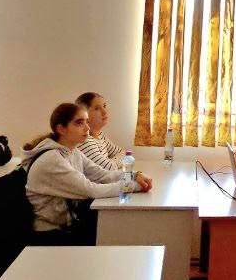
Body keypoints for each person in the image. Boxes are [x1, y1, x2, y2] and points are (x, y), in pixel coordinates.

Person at [22, 102, 153, 244]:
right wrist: (135, 186)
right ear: (61, 129)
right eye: (79, 123)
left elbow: (103, 175)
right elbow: (92, 190)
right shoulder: (52, 159)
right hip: (50, 234)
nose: (87, 128)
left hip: (69, 223)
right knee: (116, 232)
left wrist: (134, 175)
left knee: (118, 228)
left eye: (86, 122)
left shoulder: (73, 151)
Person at [74, 91, 123, 170]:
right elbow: (109, 169)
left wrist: (110, 162)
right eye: (97, 108)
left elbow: (124, 153)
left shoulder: (100, 135)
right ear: (84, 115)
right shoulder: (84, 140)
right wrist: (111, 163)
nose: (104, 112)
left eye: (104, 106)